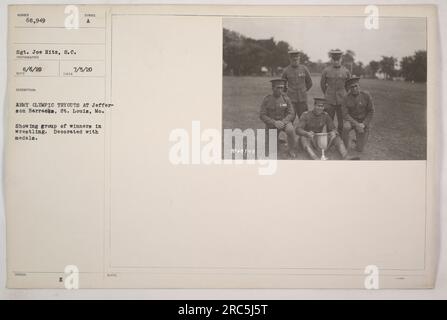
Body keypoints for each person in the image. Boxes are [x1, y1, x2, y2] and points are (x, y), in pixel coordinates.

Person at [260, 78, 297, 158]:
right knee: (272, 150)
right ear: (273, 88)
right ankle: (279, 141)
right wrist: (274, 122)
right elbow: (262, 115)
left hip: (284, 123)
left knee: (290, 130)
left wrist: (283, 122)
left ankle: (291, 149)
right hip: (272, 125)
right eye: (278, 88)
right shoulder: (267, 99)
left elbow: (291, 113)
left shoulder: (286, 99)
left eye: (282, 88)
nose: (280, 90)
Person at [320, 49, 351, 134]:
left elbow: (349, 85)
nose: (336, 61)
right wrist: (327, 94)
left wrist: (345, 95)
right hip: (329, 100)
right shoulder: (326, 71)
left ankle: (339, 140)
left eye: (338, 59)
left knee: (341, 123)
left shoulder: (346, 71)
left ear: (341, 59)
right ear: (331, 59)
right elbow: (322, 85)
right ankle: (330, 140)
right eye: (334, 59)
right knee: (329, 122)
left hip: (342, 100)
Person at [341, 76, 375, 152]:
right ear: (349, 88)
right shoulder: (345, 98)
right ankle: (344, 147)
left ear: (359, 85)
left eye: (356, 86)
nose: (354, 88)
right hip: (351, 121)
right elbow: (345, 114)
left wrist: (364, 124)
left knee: (360, 149)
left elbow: (371, 111)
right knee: (346, 127)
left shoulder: (366, 95)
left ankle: (358, 142)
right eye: (352, 87)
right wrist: (356, 124)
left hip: (363, 121)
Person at [281, 50, 313, 119]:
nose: (295, 60)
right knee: (290, 119)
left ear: (299, 58)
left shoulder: (304, 69)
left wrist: (304, 90)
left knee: (304, 119)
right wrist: (287, 93)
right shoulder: (286, 70)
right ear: (290, 59)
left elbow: (310, 83)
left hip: (302, 99)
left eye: (297, 59)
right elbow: (282, 85)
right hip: (291, 100)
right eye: (293, 59)